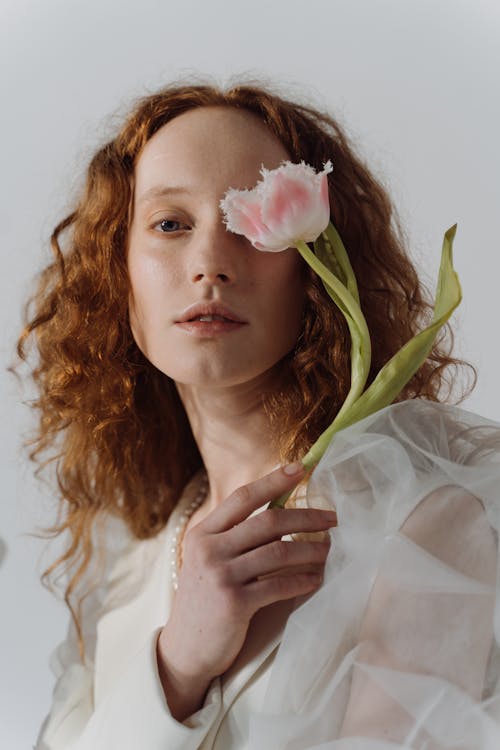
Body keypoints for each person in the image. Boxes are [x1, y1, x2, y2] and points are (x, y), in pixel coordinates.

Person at [17, 81, 500, 749]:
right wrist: (176, 668)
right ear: (117, 273)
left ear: (318, 269)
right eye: (170, 224)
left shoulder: (425, 526)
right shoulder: (128, 567)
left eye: (249, 222)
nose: (211, 264)